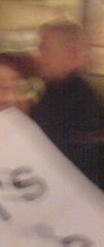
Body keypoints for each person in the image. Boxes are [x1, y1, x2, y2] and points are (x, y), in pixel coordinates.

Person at [30, 19, 104, 187]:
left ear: (72, 53)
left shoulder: (80, 102)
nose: (38, 56)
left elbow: (82, 165)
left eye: (44, 49)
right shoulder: (56, 91)